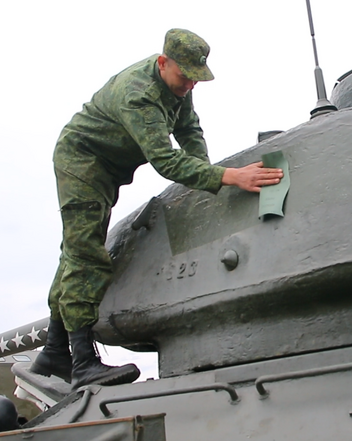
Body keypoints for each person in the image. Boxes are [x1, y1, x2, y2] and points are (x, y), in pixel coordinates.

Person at [29, 29, 283, 390]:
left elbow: (189, 129)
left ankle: (55, 351)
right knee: (85, 254)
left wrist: (205, 173)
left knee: (76, 251)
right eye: (185, 76)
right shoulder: (139, 94)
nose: (190, 85)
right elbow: (165, 160)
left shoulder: (178, 86)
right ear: (163, 63)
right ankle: (82, 362)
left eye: (196, 78)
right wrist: (228, 176)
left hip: (108, 167)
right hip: (83, 161)